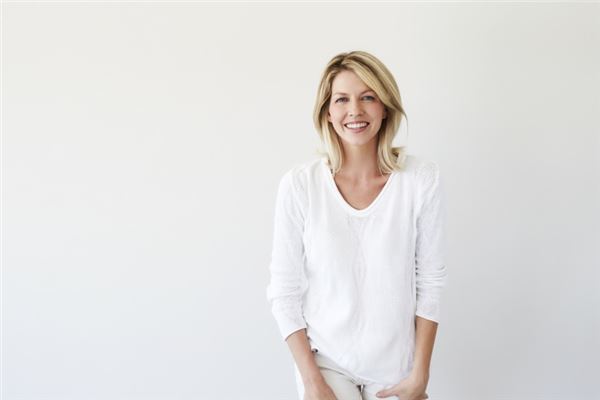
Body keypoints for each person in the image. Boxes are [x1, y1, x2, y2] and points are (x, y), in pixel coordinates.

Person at [266, 50, 447, 400]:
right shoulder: (300, 185)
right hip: (325, 363)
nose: (355, 111)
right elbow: (283, 292)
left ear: (385, 107)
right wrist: (312, 381)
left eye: (368, 97)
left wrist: (420, 374)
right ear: (327, 112)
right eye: (342, 99)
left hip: (397, 366)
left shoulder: (420, 179)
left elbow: (431, 281)